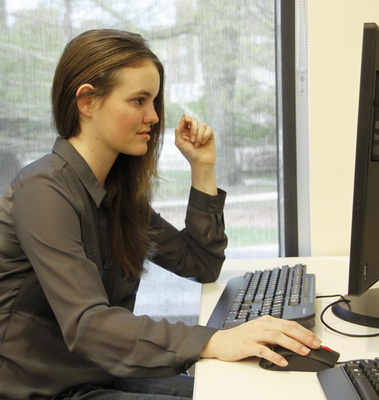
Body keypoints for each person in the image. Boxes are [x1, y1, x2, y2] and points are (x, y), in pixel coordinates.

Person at [0, 29, 321, 400]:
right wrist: (214, 340)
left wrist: (203, 168)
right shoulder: (43, 191)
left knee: (257, 388)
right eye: (138, 100)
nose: (153, 116)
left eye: (153, 101)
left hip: (102, 374)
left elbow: (199, 263)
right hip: (42, 390)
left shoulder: (115, 193)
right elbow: (88, 326)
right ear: (87, 101)